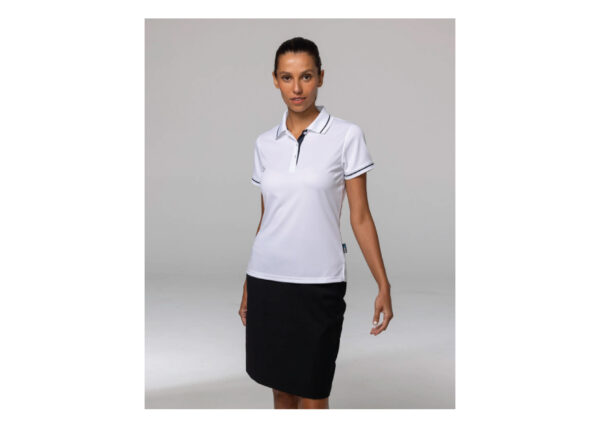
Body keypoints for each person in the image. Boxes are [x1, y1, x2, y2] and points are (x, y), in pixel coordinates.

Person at [238, 36, 393, 409]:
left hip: (318, 284)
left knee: (313, 393)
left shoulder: (346, 136)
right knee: (281, 391)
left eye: (306, 76)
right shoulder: (265, 144)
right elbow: (267, 218)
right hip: (267, 281)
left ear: (321, 77)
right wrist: (247, 285)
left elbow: (360, 216)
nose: (297, 88)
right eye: (287, 77)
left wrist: (383, 283)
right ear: (275, 80)